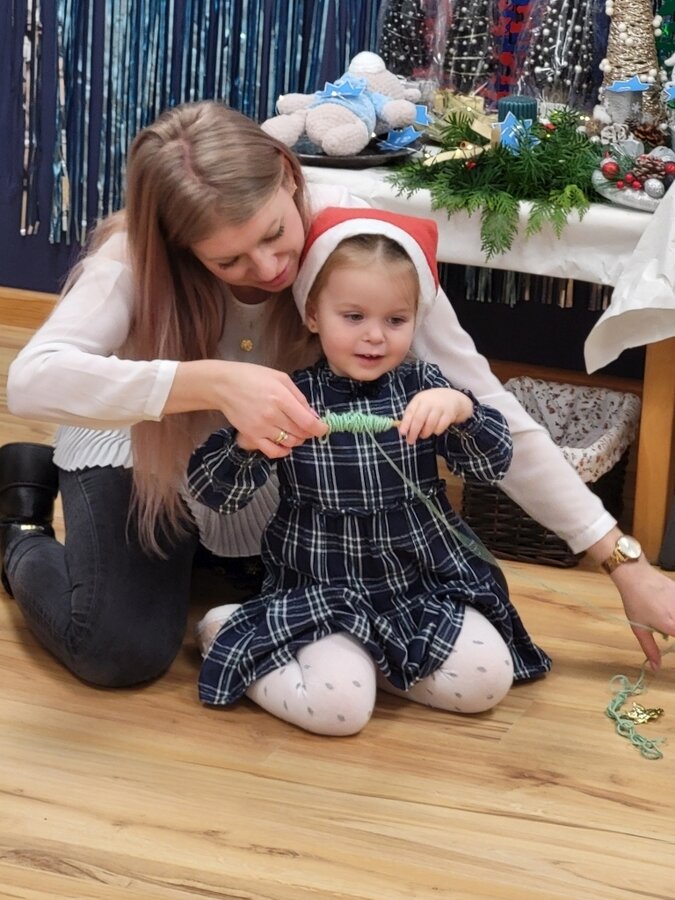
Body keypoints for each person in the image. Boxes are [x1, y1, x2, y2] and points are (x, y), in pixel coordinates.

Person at [1, 100, 673, 690]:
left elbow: (487, 403)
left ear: (288, 176)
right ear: (180, 248)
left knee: (310, 593)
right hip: (141, 450)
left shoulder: (359, 243)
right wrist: (207, 381)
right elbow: (31, 381)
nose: (268, 269)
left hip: (268, 473)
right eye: (228, 261)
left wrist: (623, 562)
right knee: (117, 651)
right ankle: (18, 527)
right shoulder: (133, 257)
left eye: (274, 235)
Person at [187, 207, 553, 735]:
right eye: (353, 317)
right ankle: (228, 631)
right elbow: (214, 492)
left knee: (487, 682)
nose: (375, 337)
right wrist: (248, 442)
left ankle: (370, 662)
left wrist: (462, 411)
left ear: (415, 320)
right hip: (321, 587)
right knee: (340, 714)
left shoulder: (425, 385)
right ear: (314, 315)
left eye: (395, 321)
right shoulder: (289, 396)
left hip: (420, 587)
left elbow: (491, 464)